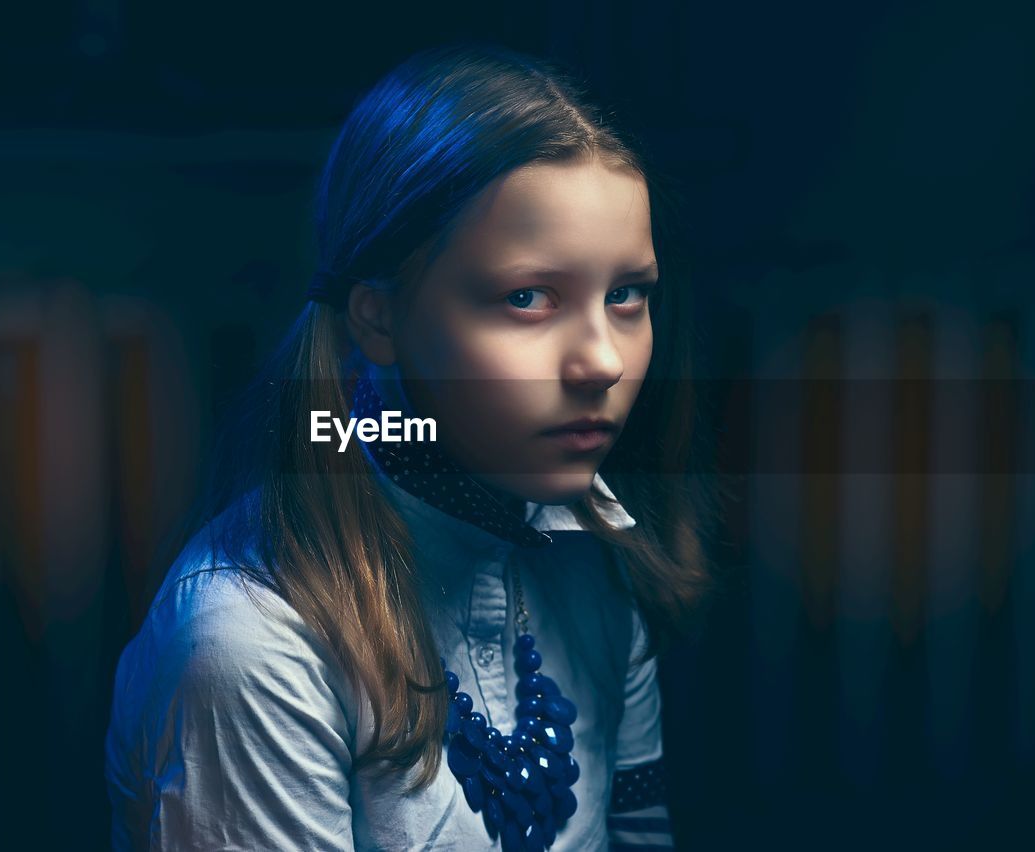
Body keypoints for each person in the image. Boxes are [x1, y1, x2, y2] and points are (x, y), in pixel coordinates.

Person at [104, 41, 716, 851]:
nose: (602, 359)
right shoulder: (250, 645)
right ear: (378, 317)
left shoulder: (595, 565)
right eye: (529, 297)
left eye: (627, 295)